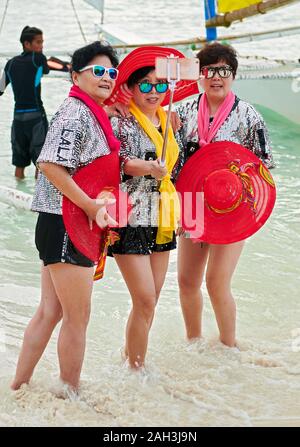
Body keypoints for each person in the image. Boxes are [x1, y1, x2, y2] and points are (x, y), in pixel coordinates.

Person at [11, 41, 121, 393]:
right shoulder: (76, 113)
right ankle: (69, 391)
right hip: (67, 222)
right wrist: (90, 205)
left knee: (50, 312)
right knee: (77, 316)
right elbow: (49, 165)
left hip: (57, 221)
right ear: (75, 76)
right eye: (98, 71)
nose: (107, 78)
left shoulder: (92, 111)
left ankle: (18, 387)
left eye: (112, 73)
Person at [174, 42, 275, 347]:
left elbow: (265, 166)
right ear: (200, 75)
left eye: (223, 70)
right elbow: (173, 161)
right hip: (192, 202)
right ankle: (194, 343)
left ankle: (229, 347)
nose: (216, 76)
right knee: (187, 281)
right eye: (210, 70)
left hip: (233, 205)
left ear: (233, 75)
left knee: (217, 283)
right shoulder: (183, 111)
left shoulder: (249, 116)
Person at [105, 46, 197, 369]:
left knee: (151, 301)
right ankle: (137, 370)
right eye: (145, 85)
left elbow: (181, 164)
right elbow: (115, 164)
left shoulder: (170, 119)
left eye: (160, 85)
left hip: (162, 215)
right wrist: (147, 168)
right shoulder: (120, 119)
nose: (154, 92)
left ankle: (130, 358)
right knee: (144, 298)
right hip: (129, 215)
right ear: (130, 88)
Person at [0, 26, 50, 179]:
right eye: (38, 42)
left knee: (19, 164)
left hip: (18, 120)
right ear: (27, 44)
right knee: (41, 164)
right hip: (36, 118)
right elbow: (47, 69)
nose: (41, 46)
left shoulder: (10, 63)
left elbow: (0, 89)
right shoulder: (38, 59)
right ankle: (37, 199)